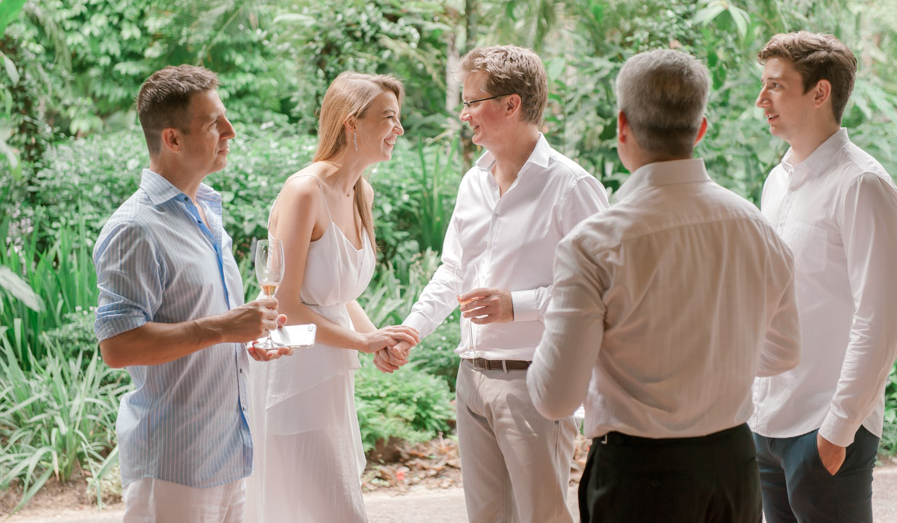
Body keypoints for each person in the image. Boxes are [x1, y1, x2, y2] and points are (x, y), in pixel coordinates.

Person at [527, 49, 802, 523]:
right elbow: (784, 352)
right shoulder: (756, 228)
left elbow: (555, 397)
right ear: (700, 129)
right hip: (733, 464)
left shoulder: (594, 245)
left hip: (641, 475)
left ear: (622, 127)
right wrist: (713, 363)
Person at [377, 45, 609, 523]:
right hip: (471, 379)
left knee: (542, 517)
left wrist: (516, 305)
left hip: (535, 383)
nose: (464, 114)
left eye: (472, 101)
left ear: (511, 104)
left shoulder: (573, 186)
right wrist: (412, 329)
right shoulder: (473, 182)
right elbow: (453, 271)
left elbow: (604, 290)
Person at [93, 65, 292, 523]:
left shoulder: (208, 214)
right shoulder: (134, 228)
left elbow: (205, 328)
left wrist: (247, 336)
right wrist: (223, 327)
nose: (231, 131)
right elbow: (119, 346)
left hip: (228, 454)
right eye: (213, 123)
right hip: (174, 464)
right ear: (173, 139)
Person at [245, 72, 420, 523]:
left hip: (330, 372)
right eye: (389, 118)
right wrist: (361, 343)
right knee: (334, 508)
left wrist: (375, 336)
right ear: (351, 123)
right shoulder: (305, 191)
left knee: (333, 503)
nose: (398, 130)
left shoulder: (362, 192)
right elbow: (285, 308)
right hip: (292, 368)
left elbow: (336, 296)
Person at [751, 31, 897, 523]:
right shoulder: (777, 181)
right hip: (766, 423)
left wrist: (837, 430)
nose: (761, 99)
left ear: (820, 93)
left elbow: (881, 319)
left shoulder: (863, 185)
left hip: (824, 430)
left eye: (776, 86)